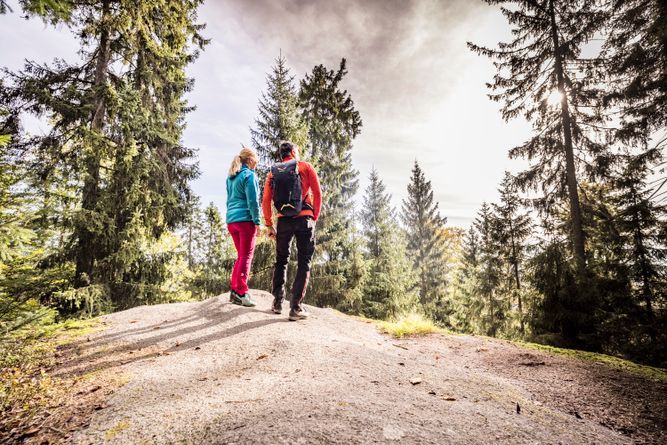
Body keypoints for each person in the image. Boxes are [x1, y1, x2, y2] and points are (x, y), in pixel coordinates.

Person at [262, 141, 322, 321]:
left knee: (281, 260)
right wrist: (314, 217)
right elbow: (318, 193)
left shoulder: (273, 172)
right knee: (304, 261)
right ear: (295, 152)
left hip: (283, 220)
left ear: (281, 155)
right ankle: (295, 307)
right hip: (305, 219)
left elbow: (266, 200)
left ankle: (278, 302)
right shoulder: (305, 166)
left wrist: (269, 224)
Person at [226, 147, 261, 307]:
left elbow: (229, 199)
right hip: (245, 220)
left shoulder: (231, 177)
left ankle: (235, 290)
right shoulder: (249, 175)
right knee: (246, 256)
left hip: (231, 220)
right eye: (257, 159)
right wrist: (257, 222)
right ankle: (241, 292)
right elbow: (252, 201)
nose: (258, 162)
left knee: (241, 256)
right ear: (251, 160)